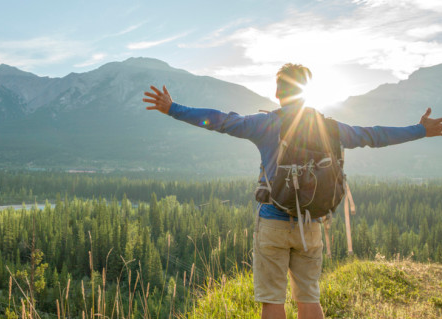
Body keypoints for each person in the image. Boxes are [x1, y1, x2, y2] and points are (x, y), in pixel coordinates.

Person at [143, 63, 442, 319]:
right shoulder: (331, 128)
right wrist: (420, 130)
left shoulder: (264, 124)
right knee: (309, 298)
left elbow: (220, 121)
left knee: (272, 300)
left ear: (277, 93)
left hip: (273, 221)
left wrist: (173, 109)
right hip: (311, 224)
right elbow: (374, 135)